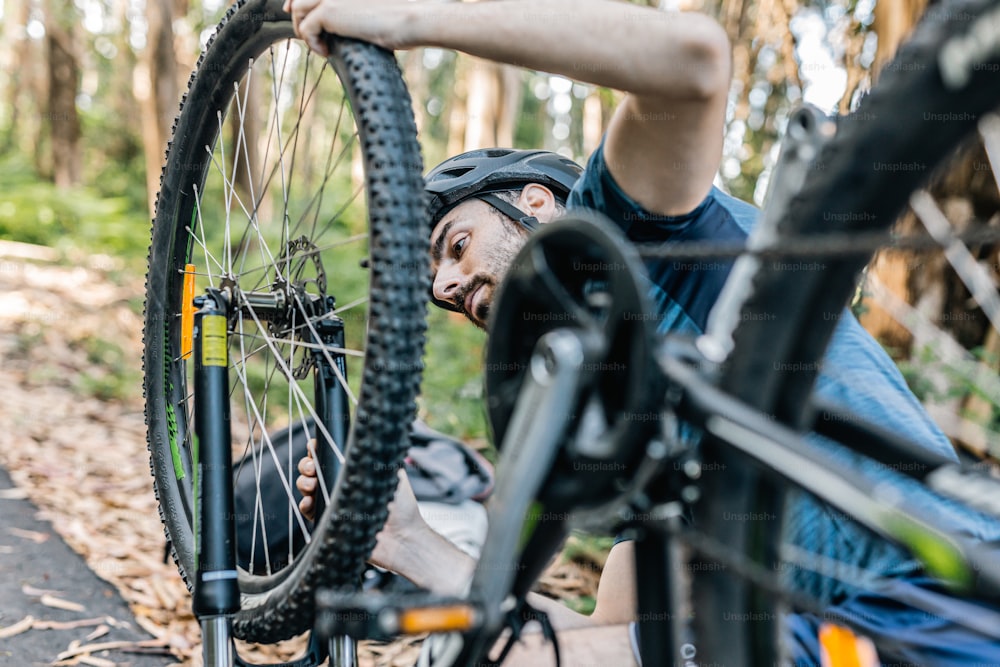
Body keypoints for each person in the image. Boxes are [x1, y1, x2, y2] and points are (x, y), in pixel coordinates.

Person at [285, 1, 1000, 665]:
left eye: (455, 244)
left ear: (535, 201)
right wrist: (406, 539)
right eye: (437, 283)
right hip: (827, 634)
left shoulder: (613, 232)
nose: (443, 285)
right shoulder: (628, 421)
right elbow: (589, 639)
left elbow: (692, 60)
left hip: (931, 599)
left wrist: (414, 16)